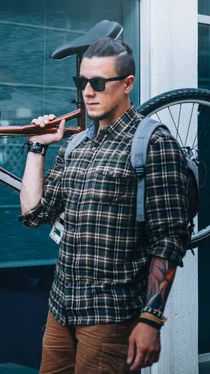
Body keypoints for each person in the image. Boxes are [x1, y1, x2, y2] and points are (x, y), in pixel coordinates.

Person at [19, 37, 190, 373]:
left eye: (98, 82)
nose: (87, 92)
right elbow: (34, 214)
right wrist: (37, 148)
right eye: (81, 82)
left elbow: (169, 238)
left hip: (110, 320)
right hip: (60, 311)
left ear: (127, 84)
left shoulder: (154, 143)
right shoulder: (76, 146)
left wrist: (151, 319)